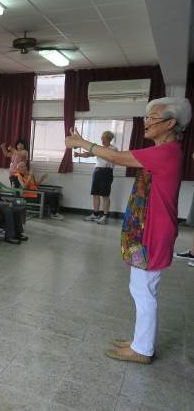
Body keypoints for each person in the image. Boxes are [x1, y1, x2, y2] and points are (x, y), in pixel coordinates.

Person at [65, 97, 191, 365]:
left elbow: (114, 156)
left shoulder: (167, 151)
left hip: (154, 231)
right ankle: (139, 341)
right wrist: (86, 147)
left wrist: (82, 143)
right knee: (141, 288)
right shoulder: (162, 150)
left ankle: (142, 349)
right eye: (146, 117)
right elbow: (114, 156)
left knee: (144, 290)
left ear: (171, 123)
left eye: (152, 118)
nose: (146, 122)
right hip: (147, 228)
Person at [76, 131, 118, 224]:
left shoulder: (113, 149)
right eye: (101, 138)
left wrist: (96, 152)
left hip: (106, 172)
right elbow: (89, 154)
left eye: (104, 138)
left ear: (109, 139)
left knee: (105, 195)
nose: (102, 140)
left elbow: (109, 157)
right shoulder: (99, 148)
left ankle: (105, 216)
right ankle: (95, 214)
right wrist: (79, 155)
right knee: (95, 194)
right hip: (97, 172)